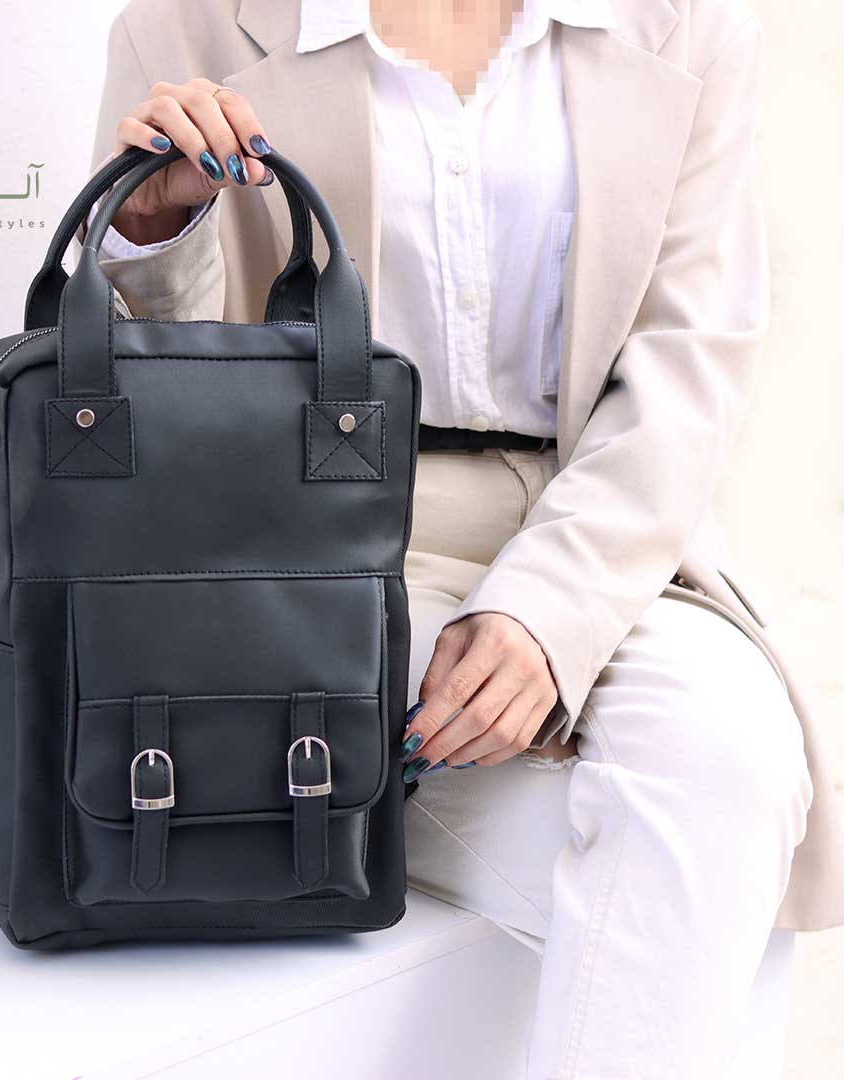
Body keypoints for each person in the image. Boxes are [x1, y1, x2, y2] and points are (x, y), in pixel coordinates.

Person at [78, 1, 844, 1076]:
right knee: (694, 862)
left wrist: (544, 614)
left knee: (735, 759)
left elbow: (692, 358)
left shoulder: (685, 26)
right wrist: (154, 231)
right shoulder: (188, 27)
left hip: (604, 518)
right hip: (320, 544)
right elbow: (147, 401)